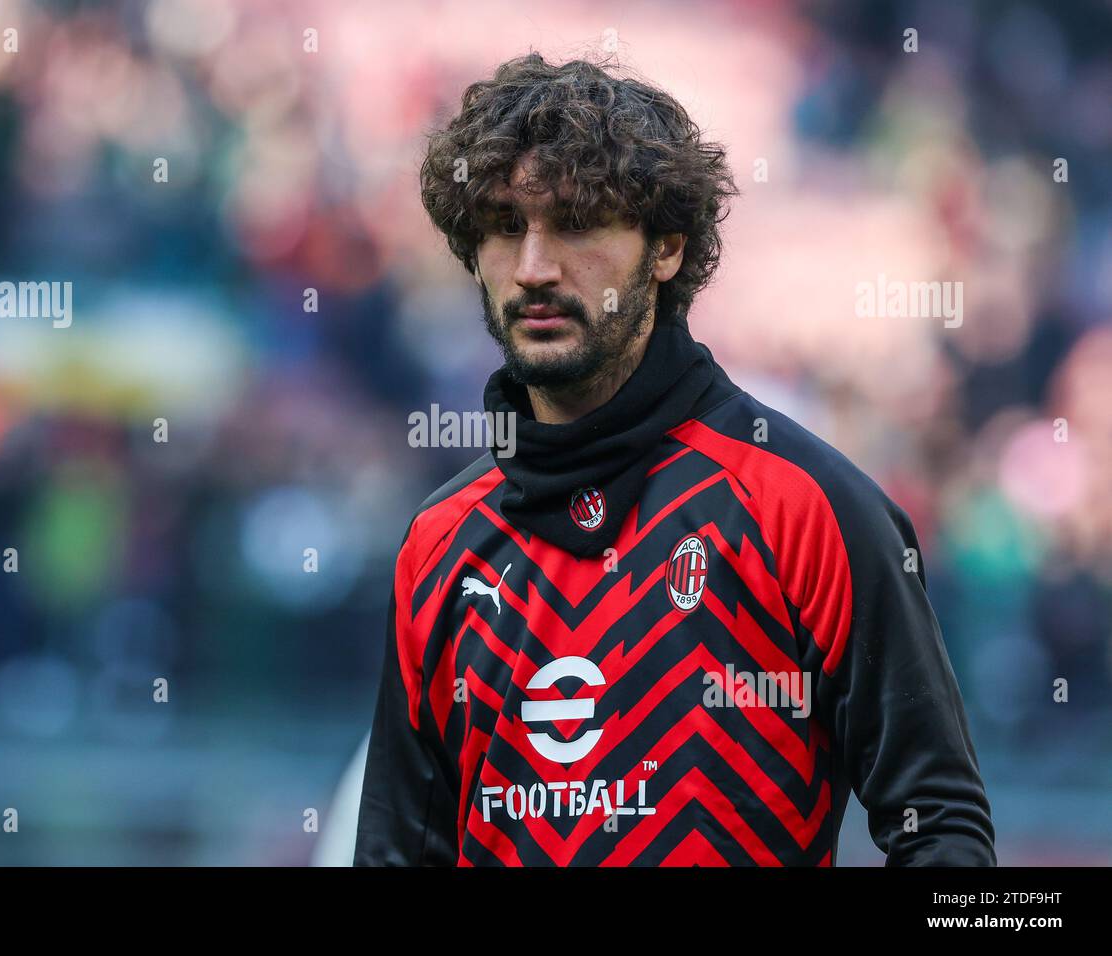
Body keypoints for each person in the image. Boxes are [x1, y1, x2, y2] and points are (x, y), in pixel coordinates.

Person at [353, 52, 995, 866]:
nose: (534, 268)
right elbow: (394, 853)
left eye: (577, 224)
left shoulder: (805, 508)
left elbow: (939, 833)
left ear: (665, 249)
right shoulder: (437, 547)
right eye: (505, 228)